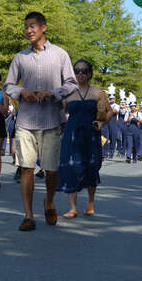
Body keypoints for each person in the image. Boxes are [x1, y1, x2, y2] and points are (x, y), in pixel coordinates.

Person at [3, 11, 77, 231]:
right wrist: (22, 91)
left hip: (51, 120)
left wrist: (53, 93)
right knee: (26, 168)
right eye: (26, 27)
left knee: (51, 170)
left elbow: (72, 83)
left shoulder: (60, 55)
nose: (28, 30)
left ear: (43, 27)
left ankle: (50, 201)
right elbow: (8, 85)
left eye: (33, 26)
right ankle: (28, 215)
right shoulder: (20, 58)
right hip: (25, 120)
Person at [58, 59, 112, 218]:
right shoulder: (68, 93)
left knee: (92, 167)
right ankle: (73, 208)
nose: (80, 73)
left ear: (89, 74)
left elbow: (109, 111)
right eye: (77, 71)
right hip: (71, 134)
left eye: (84, 71)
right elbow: (59, 114)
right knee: (70, 167)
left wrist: (102, 123)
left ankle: (90, 203)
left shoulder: (98, 92)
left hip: (91, 134)